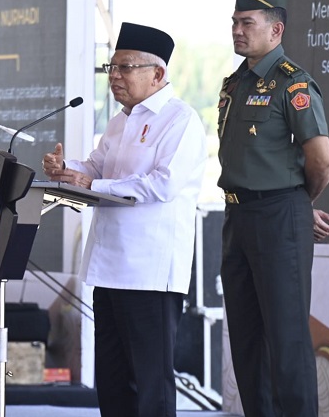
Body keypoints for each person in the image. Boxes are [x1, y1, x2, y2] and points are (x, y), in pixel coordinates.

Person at [42, 22, 207, 417]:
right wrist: (67, 169)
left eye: (125, 68)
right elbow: (97, 167)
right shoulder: (120, 121)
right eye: (110, 68)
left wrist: (94, 181)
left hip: (150, 272)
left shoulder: (180, 121)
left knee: (150, 382)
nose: (114, 76)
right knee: (114, 380)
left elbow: (161, 186)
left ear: (158, 74)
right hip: (109, 266)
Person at [217, 0, 329, 417]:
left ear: (276, 30)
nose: (236, 30)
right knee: (247, 342)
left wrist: (298, 204)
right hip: (237, 219)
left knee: (286, 341)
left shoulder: (293, 83)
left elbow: (321, 159)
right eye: (234, 22)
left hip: (279, 216)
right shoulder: (235, 83)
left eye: (247, 22)